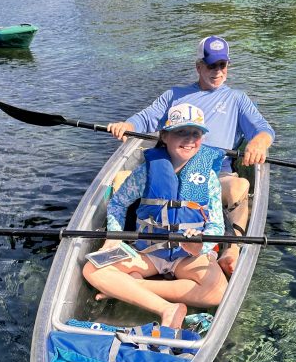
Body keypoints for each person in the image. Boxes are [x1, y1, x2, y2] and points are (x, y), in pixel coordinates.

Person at [107, 35, 275, 274]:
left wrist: (259, 142)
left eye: (222, 65)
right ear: (198, 66)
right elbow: (146, 118)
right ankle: (125, 243)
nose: (217, 71)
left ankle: (232, 248)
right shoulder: (175, 95)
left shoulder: (237, 99)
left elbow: (263, 129)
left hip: (216, 173)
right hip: (171, 167)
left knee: (240, 186)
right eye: (210, 65)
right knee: (119, 182)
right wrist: (127, 126)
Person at [83, 104, 228, 330]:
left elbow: (217, 225)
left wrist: (201, 246)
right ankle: (167, 308)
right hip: (148, 252)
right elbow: (118, 203)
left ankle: (128, 287)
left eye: (196, 133)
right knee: (91, 269)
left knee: (218, 292)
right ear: (165, 136)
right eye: (181, 131)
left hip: (186, 257)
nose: (189, 139)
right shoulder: (146, 172)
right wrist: (113, 237)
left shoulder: (207, 177)